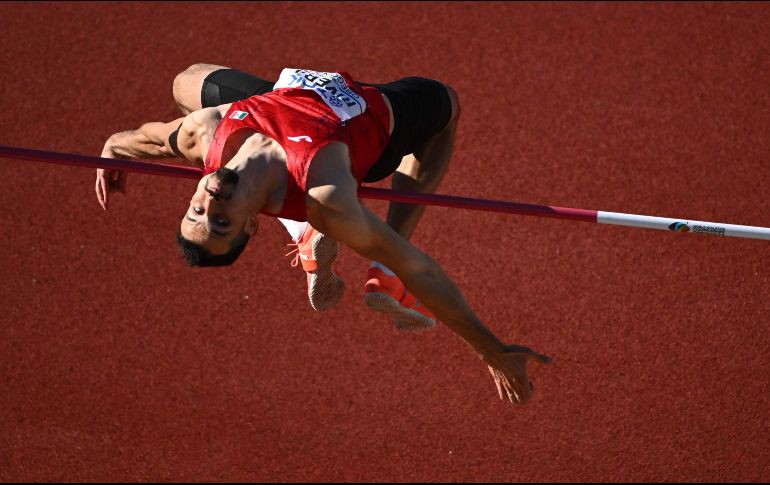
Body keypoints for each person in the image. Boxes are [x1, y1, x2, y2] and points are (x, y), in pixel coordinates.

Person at [96, 65, 551, 404]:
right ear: (251, 223)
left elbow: (149, 140)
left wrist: (114, 147)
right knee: (445, 103)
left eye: (197, 210)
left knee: (185, 82)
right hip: (369, 124)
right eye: (221, 222)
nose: (211, 205)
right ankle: (381, 267)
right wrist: (491, 351)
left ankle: (300, 233)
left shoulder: (203, 136)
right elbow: (424, 270)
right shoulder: (326, 194)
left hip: (278, 99)